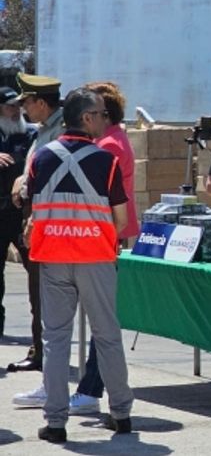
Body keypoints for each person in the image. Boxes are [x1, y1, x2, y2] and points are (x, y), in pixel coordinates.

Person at [28, 88, 134, 443]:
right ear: (87, 118)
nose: (106, 120)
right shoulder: (107, 162)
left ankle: (55, 423)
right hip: (96, 260)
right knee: (107, 337)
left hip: (53, 259)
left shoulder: (40, 157)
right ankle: (121, 415)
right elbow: (120, 219)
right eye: (103, 114)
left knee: (56, 340)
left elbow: (33, 206)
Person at [65, 82, 140, 415]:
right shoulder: (116, 139)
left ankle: (91, 388)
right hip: (109, 232)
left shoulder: (107, 145)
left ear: (101, 115)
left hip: (104, 234)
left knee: (101, 319)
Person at [7, 72, 65, 376]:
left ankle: (47, 353)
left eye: (27, 102)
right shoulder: (43, 129)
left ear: (41, 102)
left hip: (49, 218)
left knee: (46, 289)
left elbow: (51, 171)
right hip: (35, 216)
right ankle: (40, 350)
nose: (24, 108)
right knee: (37, 289)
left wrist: (25, 184)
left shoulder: (62, 131)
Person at [0, 86, 36, 338]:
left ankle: (40, 328)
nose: (15, 111)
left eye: (17, 106)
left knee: (36, 270)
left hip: (23, 215)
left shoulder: (29, 135)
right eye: (10, 106)